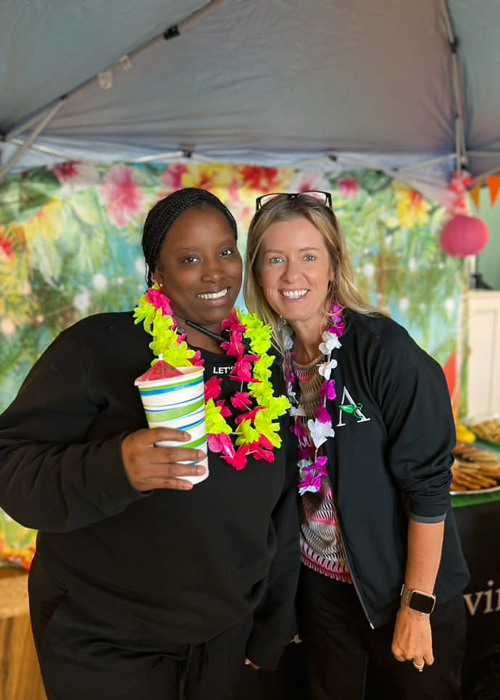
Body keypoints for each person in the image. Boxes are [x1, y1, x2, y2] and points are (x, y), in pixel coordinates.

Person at [0, 187, 300, 700]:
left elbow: (281, 507)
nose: (215, 272)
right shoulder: (97, 348)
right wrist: (115, 467)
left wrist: (272, 625)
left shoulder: (265, 363)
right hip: (108, 641)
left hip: (224, 638)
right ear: (157, 273)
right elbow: (10, 467)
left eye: (226, 251)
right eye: (189, 259)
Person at [243, 190, 470, 700]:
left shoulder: (385, 352)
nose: (291, 275)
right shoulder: (263, 365)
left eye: (308, 257)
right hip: (321, 589)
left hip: (402, 592)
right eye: (275, 259)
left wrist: (417, 606)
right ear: (257, 271)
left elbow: (429, 492)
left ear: (332, 264)